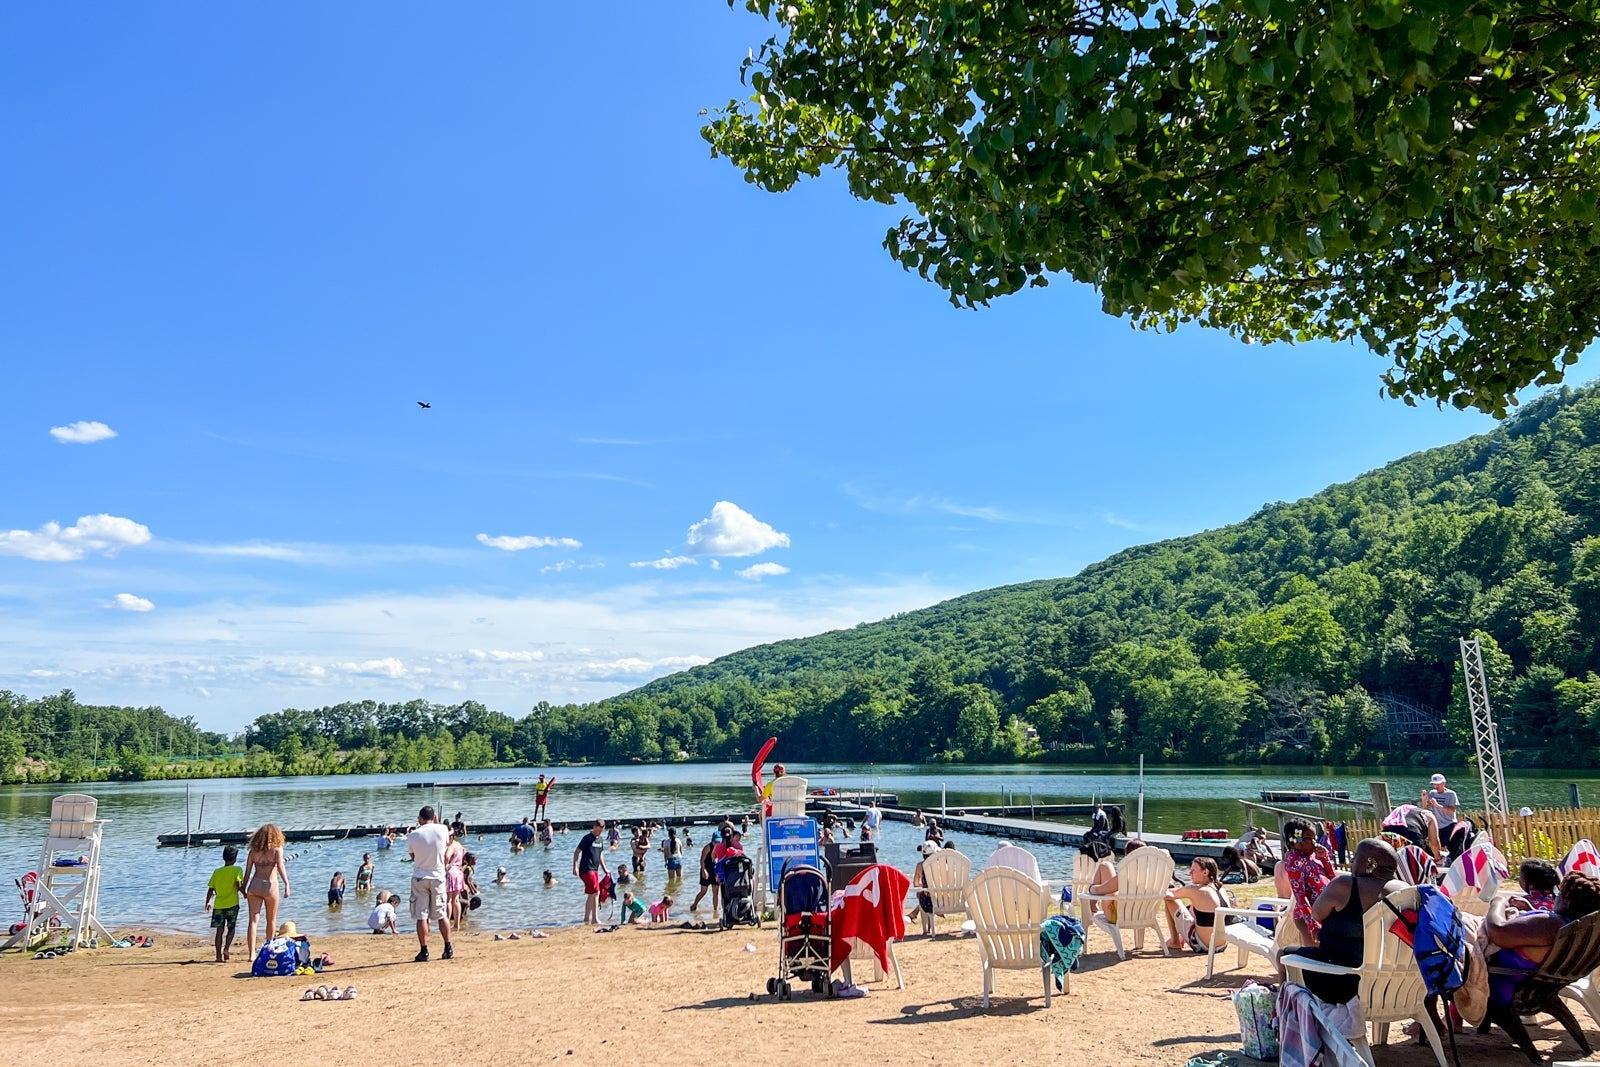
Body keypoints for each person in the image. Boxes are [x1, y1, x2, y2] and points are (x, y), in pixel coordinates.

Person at [1279, 839, 1407, 1004]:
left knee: (1283, 954)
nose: (1352, 861)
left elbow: (1316, 914)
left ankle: (1280, 1012)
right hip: (1392, 986)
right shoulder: (1406, 891)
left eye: (1356, 856)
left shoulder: (1345, 886)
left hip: (1341, 981)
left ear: (1371, 863)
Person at [1486, 871, 1600, 1008]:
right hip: (1535, 986)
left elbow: (1497, 932)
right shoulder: (1574, 929)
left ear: (1566, 901)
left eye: (1559, 893)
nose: (1556, 896)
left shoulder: (1550, 925)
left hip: (1501, 984)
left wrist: (1498, 902)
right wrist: (1531, 910)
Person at [1277, 818, 1338, 946]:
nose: (1314, 843)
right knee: (1313, 950)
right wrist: (1313, 925)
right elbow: (1300, 895)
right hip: (1308, 917)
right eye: (1309, 839)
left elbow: (1333, 878)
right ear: (1296, 841)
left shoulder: (1315, 857)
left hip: (1325, 911)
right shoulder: (1295, 862)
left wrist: (1325, 858)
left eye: (1315, 838)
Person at [407, 805, 455, 962]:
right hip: (438, 876)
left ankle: (424, 950)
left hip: (420, 876)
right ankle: (448, 947)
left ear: (420, 818)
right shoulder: (442, 829)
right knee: (442, 915)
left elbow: (413, 856)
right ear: (434, 817)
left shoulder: (413, 835)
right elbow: (447, 842)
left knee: (421, 916)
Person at [242, 824, 290, 964]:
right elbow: (280, 866)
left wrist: (243, 887)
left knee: (253, 921)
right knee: (271, 920)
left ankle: (251, 954)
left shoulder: (253, 852)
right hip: (270, 885)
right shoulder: (277, 850)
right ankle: (269, 950)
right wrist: (287, 884)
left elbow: (247, 872)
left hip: (255, 885)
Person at [1164, 857, 1227, 951]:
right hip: (1222, 944)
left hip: (1203, 945)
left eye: (1193, 870)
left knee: (1170, 900)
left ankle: (1175, 942)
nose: (1190, 873)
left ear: (1205, 872)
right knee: (1196, 909)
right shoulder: (1222, 890)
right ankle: (1179, 939)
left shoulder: (1197, 890)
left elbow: (1168, 894)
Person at [203, 845, 244, 963]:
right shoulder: (237, 870)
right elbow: (239, 885)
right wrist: (245, 894)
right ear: (235, 859)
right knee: (231, 928)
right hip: (232, 904)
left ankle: (218, 956)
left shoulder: (217, 872)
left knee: (219, 931)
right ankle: (226, 949)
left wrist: (207, 902)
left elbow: (210, 889)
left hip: (218, 906)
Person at [573, 819, 606, 925]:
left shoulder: (600, 839)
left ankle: (586, 918)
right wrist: (575, 867)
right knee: (596, 892)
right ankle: (595, 919)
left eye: (601, 831)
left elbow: (600, 855)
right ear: (594, 827)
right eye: (597, 830)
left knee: (591, 894)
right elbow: (577, 852)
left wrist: (605, 869)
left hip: (595, 869)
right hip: (586, 869)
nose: (599, 833)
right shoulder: (587, 838)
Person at [906, 841, 937, 925]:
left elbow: (916, 884)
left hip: (927, 903)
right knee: (928, 893)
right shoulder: (940, 865)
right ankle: (914, 914)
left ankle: (914, 915)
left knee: (923, 894)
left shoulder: (919, 865)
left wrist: (925, 885)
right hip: (943, 901)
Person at [444, 834, 468, 926]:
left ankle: (447, 923)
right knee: (456, 899)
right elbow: (465, 851)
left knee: (448, 900)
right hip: (458, 872)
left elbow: (447, 856)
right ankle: (456, 924)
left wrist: (445, 865)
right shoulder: (459, 845)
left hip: (451, 872)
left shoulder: (451, 846)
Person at [691, 837, 719, 912]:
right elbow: (702, 860)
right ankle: (694, 904)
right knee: (703, 891)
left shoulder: (719, 847)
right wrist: (703, 870)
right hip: (706, 870)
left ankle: (715, 911)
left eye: (719, 842)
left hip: (715, 872)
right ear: (712, 841)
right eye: (716, 842)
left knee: (715, 892)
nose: (717, 843)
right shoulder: (707, 847)